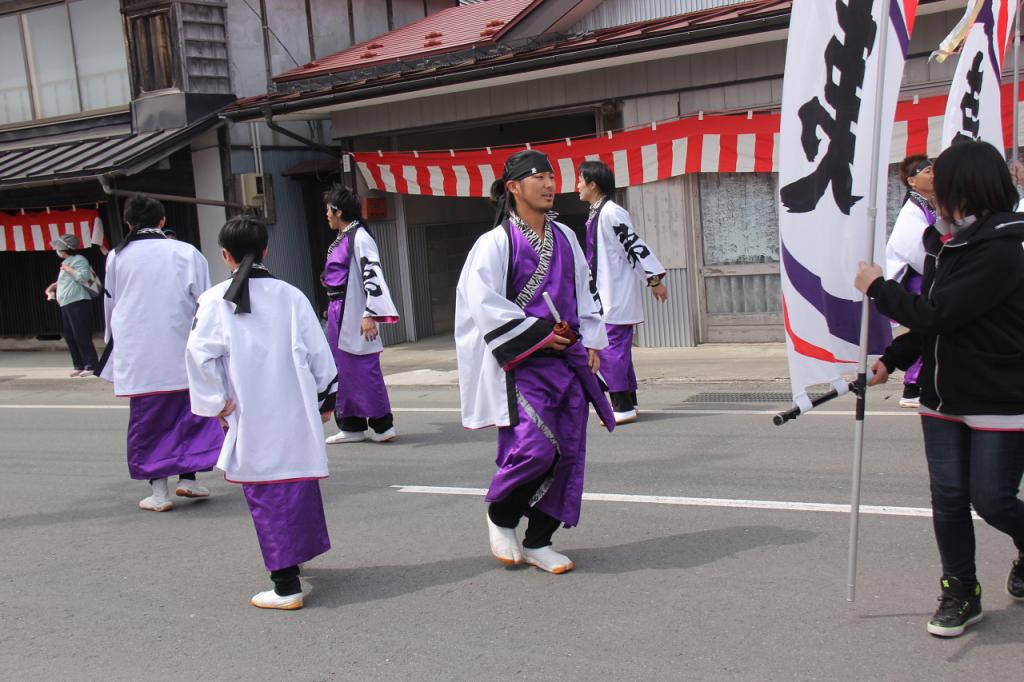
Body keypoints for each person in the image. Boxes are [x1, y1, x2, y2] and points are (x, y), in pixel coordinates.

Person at [855, 140, 1024, 638]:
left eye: (939, 180)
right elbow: (937, 325)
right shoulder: (946, 243)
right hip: (942, 396)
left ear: (965, 188)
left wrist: (878, 288)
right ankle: (961, 589)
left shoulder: (1004, 248)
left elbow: (940, 312)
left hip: (1000, 396)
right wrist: (894, 357)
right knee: (948, 498)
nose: (931, 188)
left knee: (992, 499)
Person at [455, 150, 615, 574]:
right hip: (521, 365)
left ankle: (540, 539)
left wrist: (593, 339)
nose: (549, 184)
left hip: (567, 361)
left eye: (551, 176)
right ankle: (501, 515)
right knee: (535, 449)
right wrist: (542, 335)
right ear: (513, 187)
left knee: (569, 452)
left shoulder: (565, 236)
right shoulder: (494, 244)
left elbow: (585, 290)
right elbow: (482, 305)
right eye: (538, 177)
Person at [186, 216, 338, 610]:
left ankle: (286, 584)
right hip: (294, 409)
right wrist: (325, 400)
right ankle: (295, 562)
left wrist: (217, 402)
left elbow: (198, 355)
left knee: (267, 494)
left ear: (225, 255)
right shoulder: (291, 296)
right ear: (266, 249)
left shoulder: (215, 299)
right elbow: (320, 355)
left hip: (252, 412)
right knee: (295, 485)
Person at [97, 195, 223, 512]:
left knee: (150, 421)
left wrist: (114, 348)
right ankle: (189, 479)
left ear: (128, 223)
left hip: (140, 353)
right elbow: (205, 303)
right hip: (182, 345)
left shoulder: (117, 257)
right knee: (191, 414)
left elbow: (111, 306)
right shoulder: (186, 252)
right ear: (162, 221)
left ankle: (159, 492)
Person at [576, 160, 667, 424]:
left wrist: (654, 280)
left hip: (614, 294)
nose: (577, 186)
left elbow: (633, 247)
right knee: (619, 352)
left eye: (581, 180)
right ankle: (629, 402)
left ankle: (622, 407)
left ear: (594, 184)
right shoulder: (599, 211)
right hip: (608, 291)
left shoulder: (611, 212)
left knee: (609, 350)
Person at [321, 185, 400, 445]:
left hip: (353, 310)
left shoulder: (359, 236)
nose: (327, 215)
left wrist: (370, 313)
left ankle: (382, 423)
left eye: (328, 210)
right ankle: (351, 425)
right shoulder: (346, 236)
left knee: (364, 367)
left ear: (338, 211)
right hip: (338, 310)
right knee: (342, 369)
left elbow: (372, 274)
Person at [884, 155, 936, 409]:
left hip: (929, 276)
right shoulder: (911, 210)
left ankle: (921, 383)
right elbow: (915, 251)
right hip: (918, 279)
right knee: (927, 327)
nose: (934, 174)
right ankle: (912, 385)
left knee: (931, 330)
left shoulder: (929, 205)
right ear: (912, 181)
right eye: (928, 171)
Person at [45, 234, 100, 377]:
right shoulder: (67, 262)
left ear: (63, 248)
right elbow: (67, 281)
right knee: (70, 335)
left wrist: (67, 269)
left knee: (81, 334)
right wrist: (53, 287)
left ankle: (91, 365)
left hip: (78, 302)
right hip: (67, 303)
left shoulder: (79, 260)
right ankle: (78, 364)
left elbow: (83, 276)